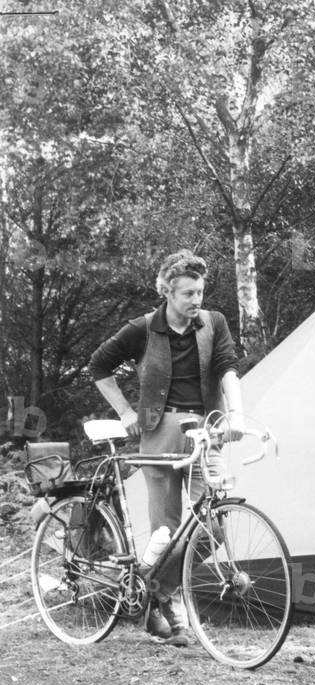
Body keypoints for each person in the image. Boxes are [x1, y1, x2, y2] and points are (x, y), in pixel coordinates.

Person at [89, 250, 245, 647]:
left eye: (200, 292)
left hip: (204, 432)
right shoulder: (143, 328)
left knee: (211, 527)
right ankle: (169, 613)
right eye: (189, 293)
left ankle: (152, 592)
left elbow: (227, 367)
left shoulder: (214, 324)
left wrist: (237, 415)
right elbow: (99, 365)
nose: (197, 301)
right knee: (167, 529)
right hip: (158, 432)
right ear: (168, 292)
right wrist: (124, 411)